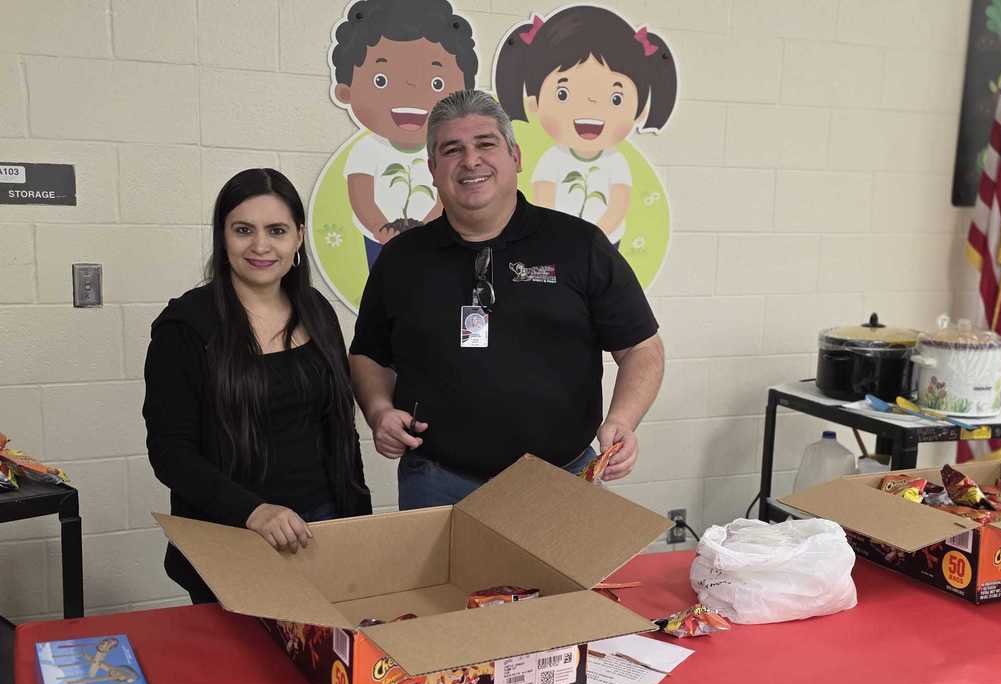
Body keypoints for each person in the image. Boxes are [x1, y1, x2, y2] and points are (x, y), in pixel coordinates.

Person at [349, 90, 664, 510]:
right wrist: (378, 411)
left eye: (485, 144)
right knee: (444, 582)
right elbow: (368, 355)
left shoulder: (578, 245)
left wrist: (622, 421)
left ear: (515, 157)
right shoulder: (402, 259)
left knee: (564, 581)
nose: (471, 161)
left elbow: (642, 348)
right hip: (437, 483)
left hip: (563, 478)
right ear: (432, 169)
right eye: (452, 149)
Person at [143, 168, 372, 604]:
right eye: (243, 230)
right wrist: (253, 511)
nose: (261, 246)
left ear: (299, 237)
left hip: (319, 531)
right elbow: (170, 453)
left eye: (277, 230)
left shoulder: (317, 312)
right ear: (222, 235)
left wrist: (357, 527)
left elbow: (340, 430)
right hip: (229, 538)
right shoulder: (186, 327)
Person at [494, 6, 676, 247]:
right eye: (563, 93)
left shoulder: (616, 162)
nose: (590, 105)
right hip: (559, 243)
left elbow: (618, 207)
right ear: (534, 103)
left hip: (606, 243)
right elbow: (543, 203)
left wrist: (592, 240)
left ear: (639, 112)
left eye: (615, 98)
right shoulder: (552, 160)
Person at [330, 0, 478, 269]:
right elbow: (361, 195)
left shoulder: (445, 151)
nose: (410, 90)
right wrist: (379, 228)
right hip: (380, 239)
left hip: (432, 238)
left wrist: (426, 226)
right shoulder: (368, 149)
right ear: (346, 91)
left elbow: (444, 197)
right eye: (381, 80)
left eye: (436, 82)